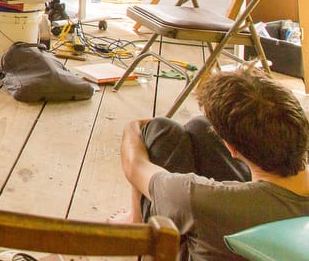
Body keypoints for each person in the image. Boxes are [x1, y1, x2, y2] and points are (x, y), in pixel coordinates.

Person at [118, 69, 309, 261]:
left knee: (159, 129)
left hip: (209, 221)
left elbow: (135, 166)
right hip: (264, 217)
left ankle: (136, 223)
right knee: (200, 128)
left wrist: (135, 127)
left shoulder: (196, 199)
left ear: (232, 148)